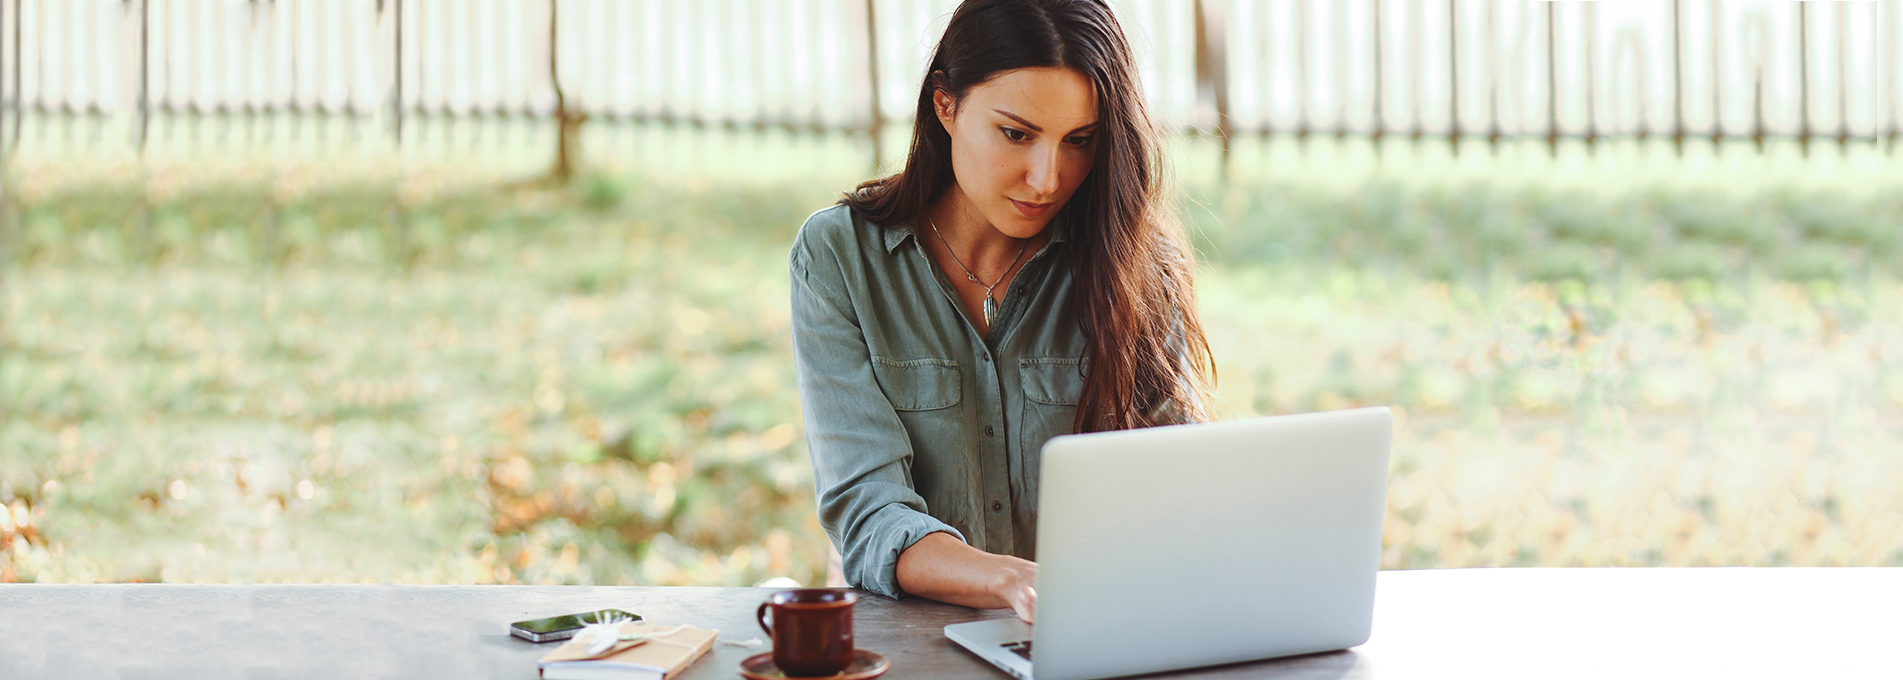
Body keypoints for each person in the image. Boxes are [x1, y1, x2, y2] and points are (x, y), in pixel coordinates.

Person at [788, 0, 1214, 624]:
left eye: (1079, 141)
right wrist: (1017, 582)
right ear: (945, 105)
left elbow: (1180, 486)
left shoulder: (1133, 267)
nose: (1047, 178)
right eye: (1016, 134)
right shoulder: (840, 258)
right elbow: (868, 510)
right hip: (910, 636)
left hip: (1089, 631)